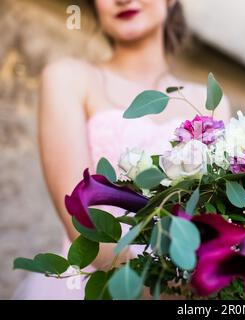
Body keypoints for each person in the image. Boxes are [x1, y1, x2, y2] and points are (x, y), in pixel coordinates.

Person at [14, 0, 230, 299]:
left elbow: (216, 224)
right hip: (98, 284)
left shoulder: (212, 101)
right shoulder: (68, 78)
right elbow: (87, 226)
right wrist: (168, 289)